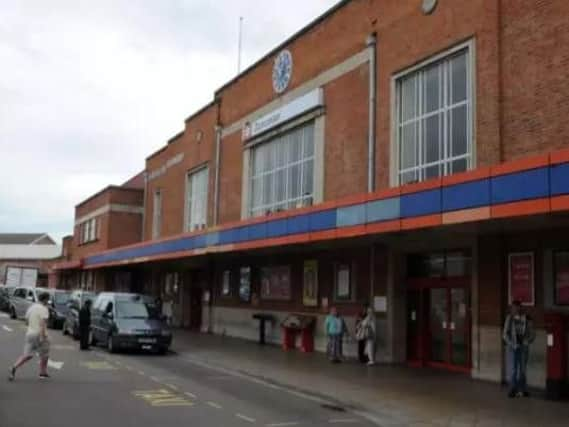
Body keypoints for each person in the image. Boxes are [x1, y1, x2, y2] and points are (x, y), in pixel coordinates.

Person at [8, 292, 51, 381]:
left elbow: (26, 321)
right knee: (45, 354)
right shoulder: (44, 309)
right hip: (39, 334)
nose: (48, 301)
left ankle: (14, 367)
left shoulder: (31, 307)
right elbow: (43, 323)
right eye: (48, 299)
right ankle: (42, 372)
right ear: (45, 299)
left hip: (30, 334)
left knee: (27, 355)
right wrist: (43, 337)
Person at [503, 300, 535, 398]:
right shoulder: (509, 318)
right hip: (513, 348)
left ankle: (522, 389)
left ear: (520, 308)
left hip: (523, 348)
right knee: (513, 369)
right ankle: (513, 389)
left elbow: (532, 334)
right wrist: (512, 343)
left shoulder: (527, 318)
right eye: (513, 308)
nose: (515, 309)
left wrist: (527, 341)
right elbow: (504, 334)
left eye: (517, 307)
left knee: (522, 370)